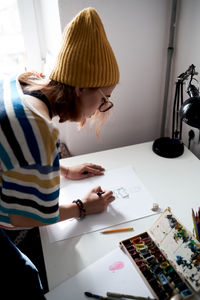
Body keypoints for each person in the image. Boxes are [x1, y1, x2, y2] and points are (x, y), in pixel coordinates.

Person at [0, 7, 119, 298]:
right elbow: (26, 218)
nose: (101, 109)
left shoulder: (24, 80)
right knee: (31, 282)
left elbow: (16, 154)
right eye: (104, 98)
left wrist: (62, 169)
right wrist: (83, 207)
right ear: (79, 88)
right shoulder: (37, 128)